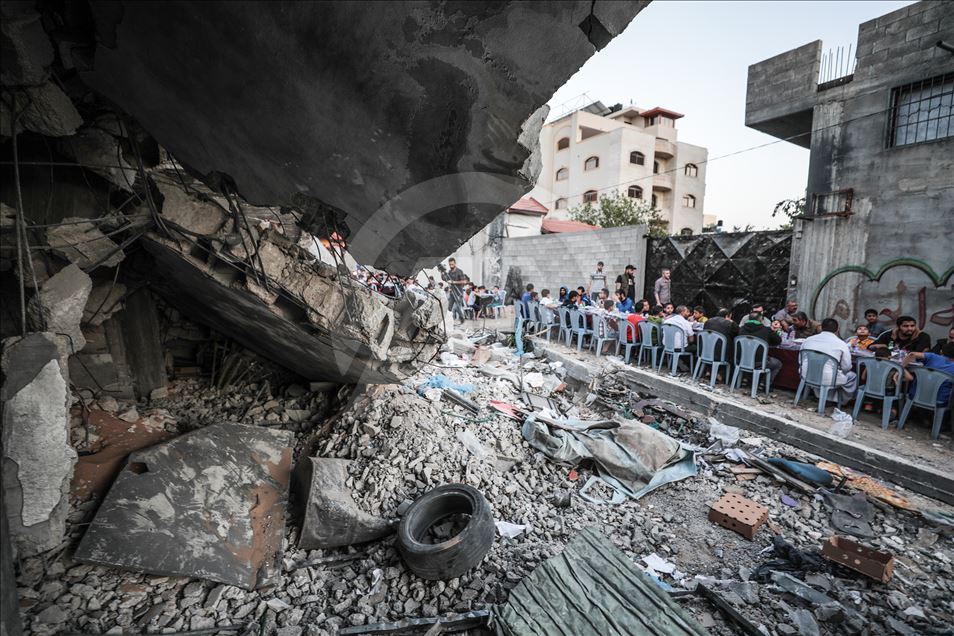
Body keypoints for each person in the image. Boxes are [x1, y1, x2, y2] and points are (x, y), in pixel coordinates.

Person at [800, 318, 857, 402]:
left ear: (822, 327)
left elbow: (800, 361)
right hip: (828, 379)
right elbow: (846, 367)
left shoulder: (808, 340)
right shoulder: (841, 344)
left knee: (825, 371)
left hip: (806, 374)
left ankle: (819, 396)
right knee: (851, 376)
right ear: (837, 329)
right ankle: (839, 401)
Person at [738, 311, 783, 387]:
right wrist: (775, 332)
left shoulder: (741, 329)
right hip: (758, 363)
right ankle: (764, 384)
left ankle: (745, 378)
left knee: (750, 356)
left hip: (740, 360)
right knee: (777, 363)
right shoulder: (766, 330)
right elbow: (778, 341)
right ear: (761, 320)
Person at [444, 258, 469, 323]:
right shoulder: (449, 272)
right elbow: (446, 279)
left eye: (452, 264)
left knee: (458, 307)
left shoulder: (459, 271)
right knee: (449, 308)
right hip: (452, 292)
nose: (451, 266)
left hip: (458, 292)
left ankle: (462, 319)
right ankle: (447, 321)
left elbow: (464, 281)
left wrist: (454, 282)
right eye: (450, 265)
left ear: (455, 263)